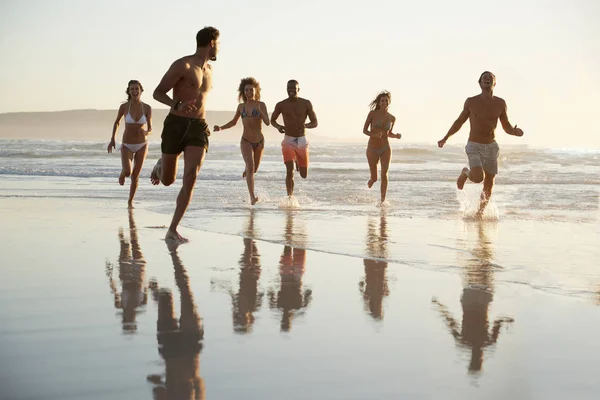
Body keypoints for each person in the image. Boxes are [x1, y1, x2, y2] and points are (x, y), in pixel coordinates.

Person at [149, 26, 220, 242]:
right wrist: (176, 104)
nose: (219, 49)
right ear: (211, 43)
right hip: (176, 124)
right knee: (168, 180)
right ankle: (161, 164)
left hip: (198, 126)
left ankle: (173, 228)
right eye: (219, 44)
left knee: (191, 177)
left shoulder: (210, 70)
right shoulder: (183, 64)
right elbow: (157, 92)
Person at [437, 71, 524, 217]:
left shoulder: (500, 103)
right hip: (474, 145)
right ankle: (465, 172)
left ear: (494, 83)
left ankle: (480, 212)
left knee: (489, 183)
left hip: (491, 147)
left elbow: (506, 126)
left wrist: (514, 132)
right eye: (485, 78)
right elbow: (459, 121)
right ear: (480, 83)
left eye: (490, 78)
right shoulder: (471, 102)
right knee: (478, 178)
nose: (487, 80)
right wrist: (446, 137)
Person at [213, 77, 269, 205]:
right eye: (246, 90)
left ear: (256, 91)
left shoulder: (261, 105)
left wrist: (261, 112)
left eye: (251, 90)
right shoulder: (241, 107)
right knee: (250, 167)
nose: (249, 92)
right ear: (243, 92)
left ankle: (247, 169)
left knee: (254, 169)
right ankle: (252, 197)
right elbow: (233, 122)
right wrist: (220, 128)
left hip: (259, 141)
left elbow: (267, 122)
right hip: (246, 141)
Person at [107, 80, 152, 208]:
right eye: (132, 89)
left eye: (136, 89)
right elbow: (117, 123)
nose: (134, 91)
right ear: (129, 91)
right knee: (128, 171)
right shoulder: (124, 107)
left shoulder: (147, 108)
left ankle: (130, 201)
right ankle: (122, 173)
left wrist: (146, 132)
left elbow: (150, 129)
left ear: (141, 90)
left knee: (135, 175)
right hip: (127, 144)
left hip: (142, 144)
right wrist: (112, 139)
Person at [270, 80, 318, 197]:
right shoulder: (281, 104)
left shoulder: (306, 103)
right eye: (289, 88)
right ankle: (290, 197)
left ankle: (297, 158)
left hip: (301, 140)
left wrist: (305, 125)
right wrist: (278, 127)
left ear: (298, 89)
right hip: (288, 140)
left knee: (303, 174)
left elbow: (315, 122)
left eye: (293, 88)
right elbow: (272, 120)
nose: (291, 90)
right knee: (289, 171)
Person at [362, 91, 402, 204]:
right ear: (379, 102)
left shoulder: (392, 118)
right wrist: (374, 135)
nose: (384, 102)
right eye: (382, 100)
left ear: (389, 102)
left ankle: (382, 201)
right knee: (375, 178)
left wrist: (396, 136)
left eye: (386, 101)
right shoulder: (372, 114)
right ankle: (371, 180)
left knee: (384, 174)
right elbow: (364, 130)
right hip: (372, 149)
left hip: (385, 148)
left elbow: (389, 133)